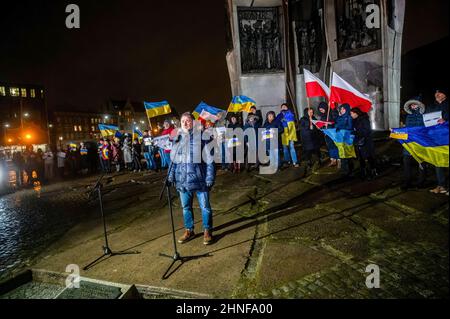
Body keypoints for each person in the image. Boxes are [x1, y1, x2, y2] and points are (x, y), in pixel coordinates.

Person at [168, 112, 215, 245]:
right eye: (183, 121)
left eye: (188, 120)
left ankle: (207, 230)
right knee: (186, 207)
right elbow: (173, 161)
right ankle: (189, 230)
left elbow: (210, 160)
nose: (185, 123)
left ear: (193, 122)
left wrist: (210, 177)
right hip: (182, 179)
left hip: (200, 179)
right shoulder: (177, 139)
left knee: (205, 207)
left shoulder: (202, 137)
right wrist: (170, 176)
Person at [401, 97, 426, 190]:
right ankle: (407, 181)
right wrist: (396, 131)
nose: (413, 105)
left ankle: (421, 182)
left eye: (414, 104)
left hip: (420, 143)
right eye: (411, 104)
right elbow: (406, 129)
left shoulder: (424, 115)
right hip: (409, 144)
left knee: (421, 163)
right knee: (406, 163)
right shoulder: (408, 116)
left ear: (419, 105)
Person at [427, 89, 449, 195]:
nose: (437, 94)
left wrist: (446, 121)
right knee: (438, 162)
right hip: (436, 138)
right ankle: (441, 186)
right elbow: (427, 119)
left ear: (445, 94)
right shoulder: (432, 106)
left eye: (440, 92)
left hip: (447, 138)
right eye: (435, 92)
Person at [350, 108, 377, 180]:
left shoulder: (364, 119)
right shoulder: (354, 120)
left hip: (366, 142)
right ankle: (363, 172)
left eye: (351, 113)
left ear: (356, 113)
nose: (351, 115)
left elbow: (367, 131)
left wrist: (356, 132)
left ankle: (373, 172)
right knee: (361, 158)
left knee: (369, 157)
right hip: (358, 141)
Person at [318, 102, 339, 167]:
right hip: (326, 133)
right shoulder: (322, 116)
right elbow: (322, 124)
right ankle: (333, 160)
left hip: (333, 132)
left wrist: (330, 123)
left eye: (322, 109)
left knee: (335, 146)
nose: (321, 111)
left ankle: (339, 160)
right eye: (320, 110)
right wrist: (320, 126)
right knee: (330, 146)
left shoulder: (332, 113)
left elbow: (336, 121)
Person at [335, 103, 354, 176]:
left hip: (347, 137)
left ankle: (350, 170)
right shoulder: (339, 117)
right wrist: (337, 128)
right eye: (341, 109)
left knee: (348, 153)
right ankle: (344, 170)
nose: (342, 110)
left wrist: (341, 128)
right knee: (342, 153)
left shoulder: (349, 117)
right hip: (340, 137)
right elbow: (336, 125)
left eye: (343, 109)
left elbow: (350, 127)